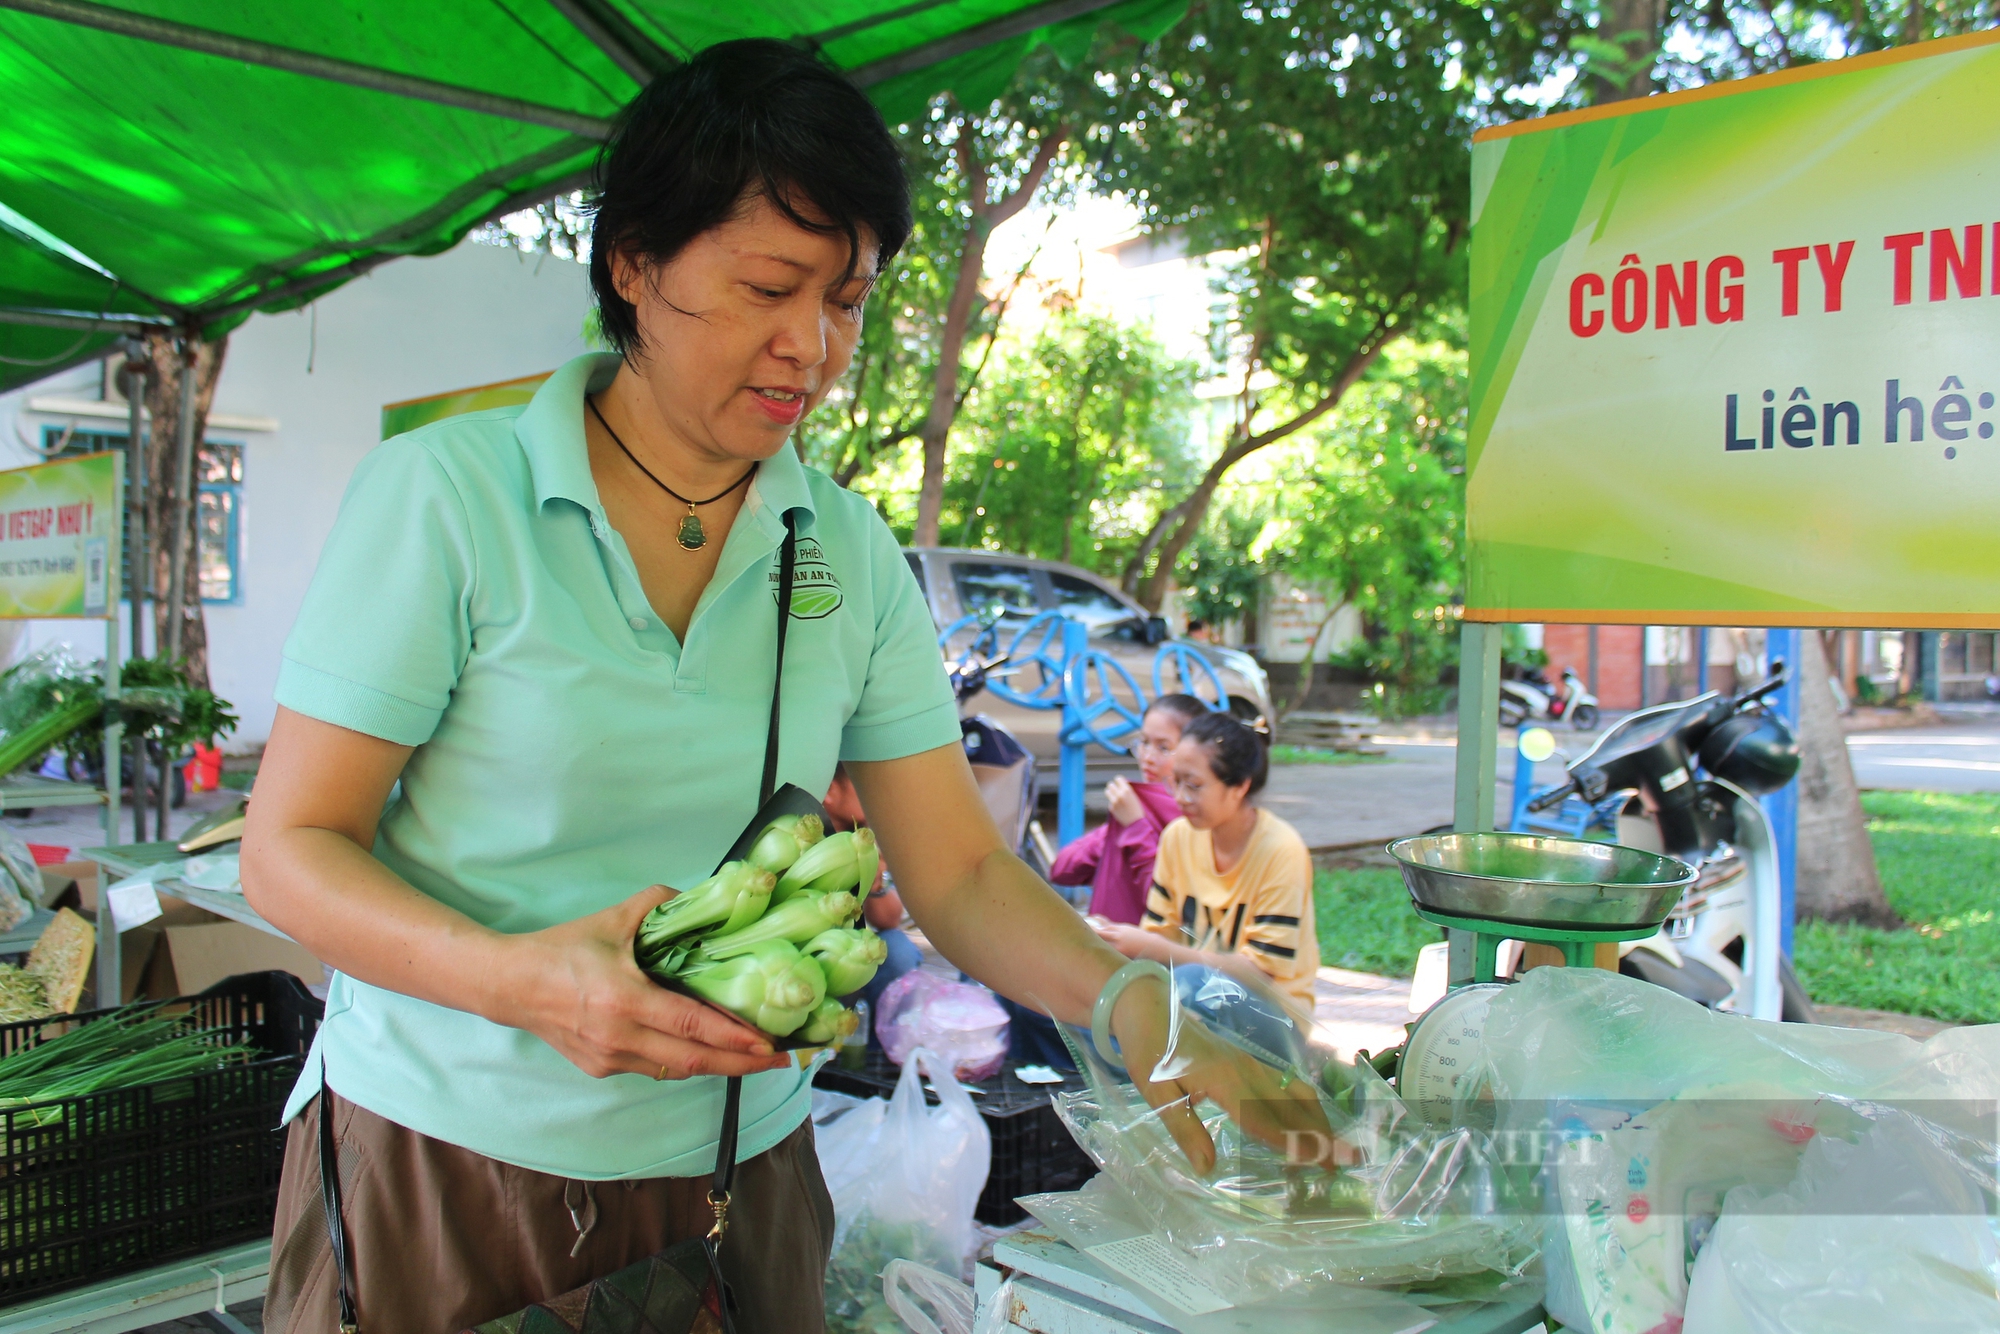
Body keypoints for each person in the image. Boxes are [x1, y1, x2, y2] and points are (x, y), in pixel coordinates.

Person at [240, 39, 1329, 1334]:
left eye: (849, 300)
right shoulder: (447, 501)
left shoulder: (852, 552)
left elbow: (964, 874)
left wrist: (1132, 999)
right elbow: (291, 848)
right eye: (769, 286)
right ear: (635, 263)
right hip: (448, 1161)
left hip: (735, 1176)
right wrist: (528, 982)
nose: (809, 345)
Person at [1095, 711, 1321, 1019]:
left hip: (1274, 1017)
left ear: (1239, 787)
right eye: (1175, 781)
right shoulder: (1177, 837)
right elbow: (1160, 933)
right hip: (1196, 1002)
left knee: (1188, 984)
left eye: (1194, 785)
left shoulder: (1281, 850)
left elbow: (1260, 974)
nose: (1180, 797)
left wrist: (1154, 949)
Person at [1049, 694, 1206, 923]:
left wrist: (1135, 827)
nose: (1148, 758)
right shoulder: (1137, 802)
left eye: (1164, 747)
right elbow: (1063, 869)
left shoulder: (1198, 818)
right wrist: (1113, 831)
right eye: (1144, 743)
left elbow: (1165, 906)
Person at [821, 761, 919, 1023]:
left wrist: (875, 882)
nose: (877, 796)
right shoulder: (810, 838)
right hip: (818, 951)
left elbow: (889, 920)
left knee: (898, 950)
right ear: (830, 792)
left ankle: (877, 1051)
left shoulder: (866, 837)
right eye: (863, 787)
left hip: (859, 951)